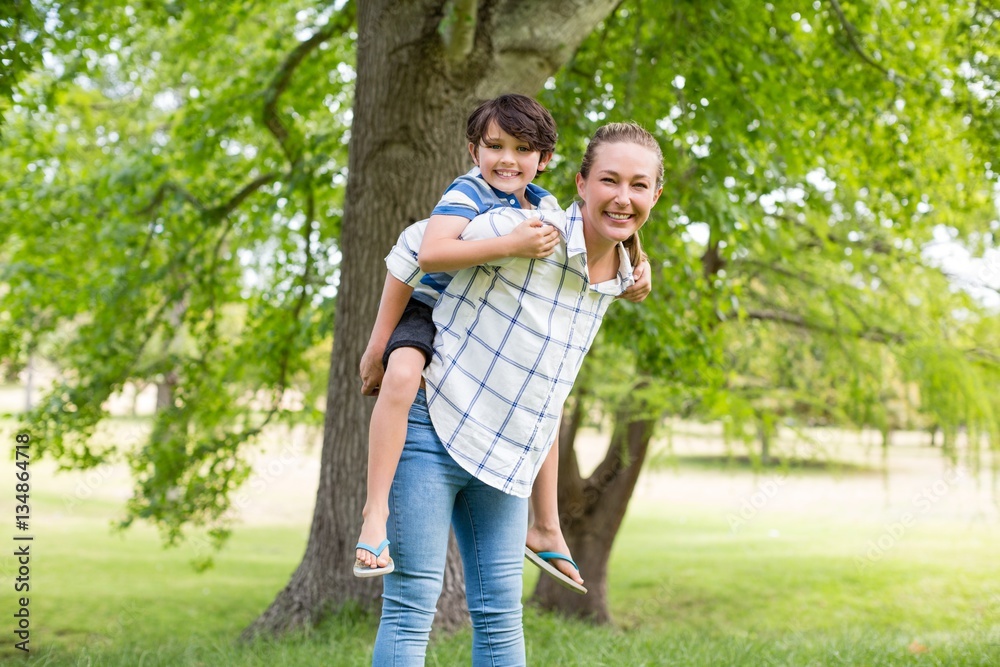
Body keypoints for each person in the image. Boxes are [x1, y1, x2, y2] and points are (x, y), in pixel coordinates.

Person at [372, 122, 664, 666]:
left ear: (655, 194)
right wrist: (378, 347)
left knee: (501, 616)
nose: (623, 197)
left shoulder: (619, 275)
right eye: (609, 180)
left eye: (638, 185)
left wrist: (637, 267)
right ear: (580, 183)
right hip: (431, 426)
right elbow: (417, 246)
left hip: (507, 456)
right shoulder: (523, 227)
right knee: (412, 607)